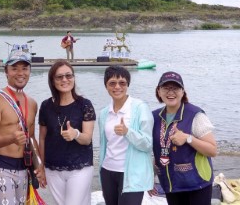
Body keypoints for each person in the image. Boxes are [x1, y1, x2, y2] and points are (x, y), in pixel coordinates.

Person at [0, 45, 44, 204]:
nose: (20, 73)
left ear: (30, 71)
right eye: (14, 68)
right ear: (6, 71)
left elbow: (31, 139)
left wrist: (39, 166)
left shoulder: (32, 103)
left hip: (23, 166)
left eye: (24, 68)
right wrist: (11, 138)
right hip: (0, 165)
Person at [151, 71, 217, 205]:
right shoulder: (154, 117)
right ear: (158, 91)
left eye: (175, 88)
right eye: (166, 88)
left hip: (197, 184)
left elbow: (213, 150)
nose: (171, 92)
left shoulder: (195, 115)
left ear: (182, 91)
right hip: (170, 184)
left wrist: (188, 138)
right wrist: (150, 177)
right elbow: (157, 150)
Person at [39, 60, 96, 205]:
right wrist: (41, 167)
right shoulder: (46, 106)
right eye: (59, 77)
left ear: (74, 78)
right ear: (52, 81)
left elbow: (87, 139)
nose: (65, 80)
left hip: (80, 166)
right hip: (52, 168)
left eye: (68, 75)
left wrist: (76, 134)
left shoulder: (85, 105)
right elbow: (42, 139)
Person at [98, 65, 153, 205]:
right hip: (108, 171)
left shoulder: (140, 108)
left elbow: (148, 144)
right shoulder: (104, 113)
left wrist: (128, 132)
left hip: (131, 174)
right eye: (112, 83)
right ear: (106, 86)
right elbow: (104, 144)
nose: (117, 87)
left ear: (127, 85)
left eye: (122, 83)